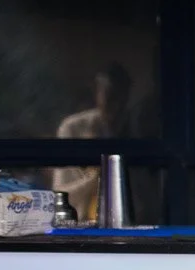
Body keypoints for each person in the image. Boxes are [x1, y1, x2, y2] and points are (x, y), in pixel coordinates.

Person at [49, 63, 134, 220]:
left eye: (119, 97)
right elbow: (60, 195)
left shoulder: (138, 130)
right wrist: (96, 179)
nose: (114, 106)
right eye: (109, 96)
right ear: (97, 94)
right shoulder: (73, 129)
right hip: (81, 226)